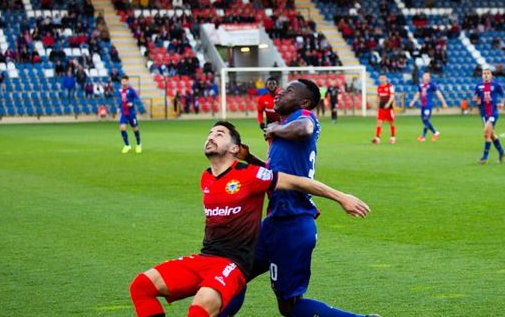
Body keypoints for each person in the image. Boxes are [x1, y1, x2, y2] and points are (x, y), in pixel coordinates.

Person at [129, 121, 370, 317]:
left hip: (231, 265)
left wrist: (341, 197)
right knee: (141, 286)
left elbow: (297, 182)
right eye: (210, 133)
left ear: (235, 148)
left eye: (220, 134)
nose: (211, 137)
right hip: (205, 259)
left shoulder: (251, 175)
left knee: (199, 311)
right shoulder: (205, 178)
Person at [221, 80, 380, 317]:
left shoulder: (303, 117)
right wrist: (250, 158)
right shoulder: (286, 129)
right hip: (274, 222)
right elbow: (276, 175)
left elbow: (305, 127)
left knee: (290, 306)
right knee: (233, 272)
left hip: (293, 224)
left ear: (304, 101)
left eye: (289, 91)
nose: (281, 93)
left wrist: (274, 129)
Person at [473, 68, 505, 165]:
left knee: (486, 133)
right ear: (482, 75)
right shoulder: (478, 86)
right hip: (484, 113)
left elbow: (503, 94)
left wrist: (502, 103)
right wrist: (476, 99)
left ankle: (484, 157)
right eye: (484, 73)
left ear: (491, 75)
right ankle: (501, 151)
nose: (486, 75)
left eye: (488, 73)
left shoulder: (496, 85)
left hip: (493, 112)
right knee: (490, 134)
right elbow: (475, 97)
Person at [408, 72, 448, 142]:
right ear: (423, 77)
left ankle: (423, 136)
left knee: (426, 119)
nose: (426, 77)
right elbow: (418, 94)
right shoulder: (421, 85)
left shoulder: (432, 84)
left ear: (429, 77)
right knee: (424, 121)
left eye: (427, 76)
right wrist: (413, 101)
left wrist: (443, 102)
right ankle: (435, 132)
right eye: (425, 76)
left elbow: (438, 93)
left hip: (428, 105)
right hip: (422, 105)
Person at [119, 75, 142, 153]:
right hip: (124, 113)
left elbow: (137, 99)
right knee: (122, 128)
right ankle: (127, 145)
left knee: (135, 129)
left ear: (127, 81)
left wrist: (132, 103)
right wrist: (119, 108)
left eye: (125, 81)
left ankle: (138, 145)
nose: (123, 82)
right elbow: (121, 100)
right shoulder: (120, 90)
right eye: (122, 81)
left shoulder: (131, 90)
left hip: (131, 113)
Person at [372, 74, 396, 144]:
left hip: (389, 108)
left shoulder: (390, 86)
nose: (382, 79)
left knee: (391, 123)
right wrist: (377, 105)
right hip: (381, 108)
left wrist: (388, 103)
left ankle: (392, 137)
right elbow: (378, 97)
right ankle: (377, 138)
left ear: (386, 79)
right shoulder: (378, 87)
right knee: (379, 122)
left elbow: (392, 96)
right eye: (380, 78)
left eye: (383, 78)